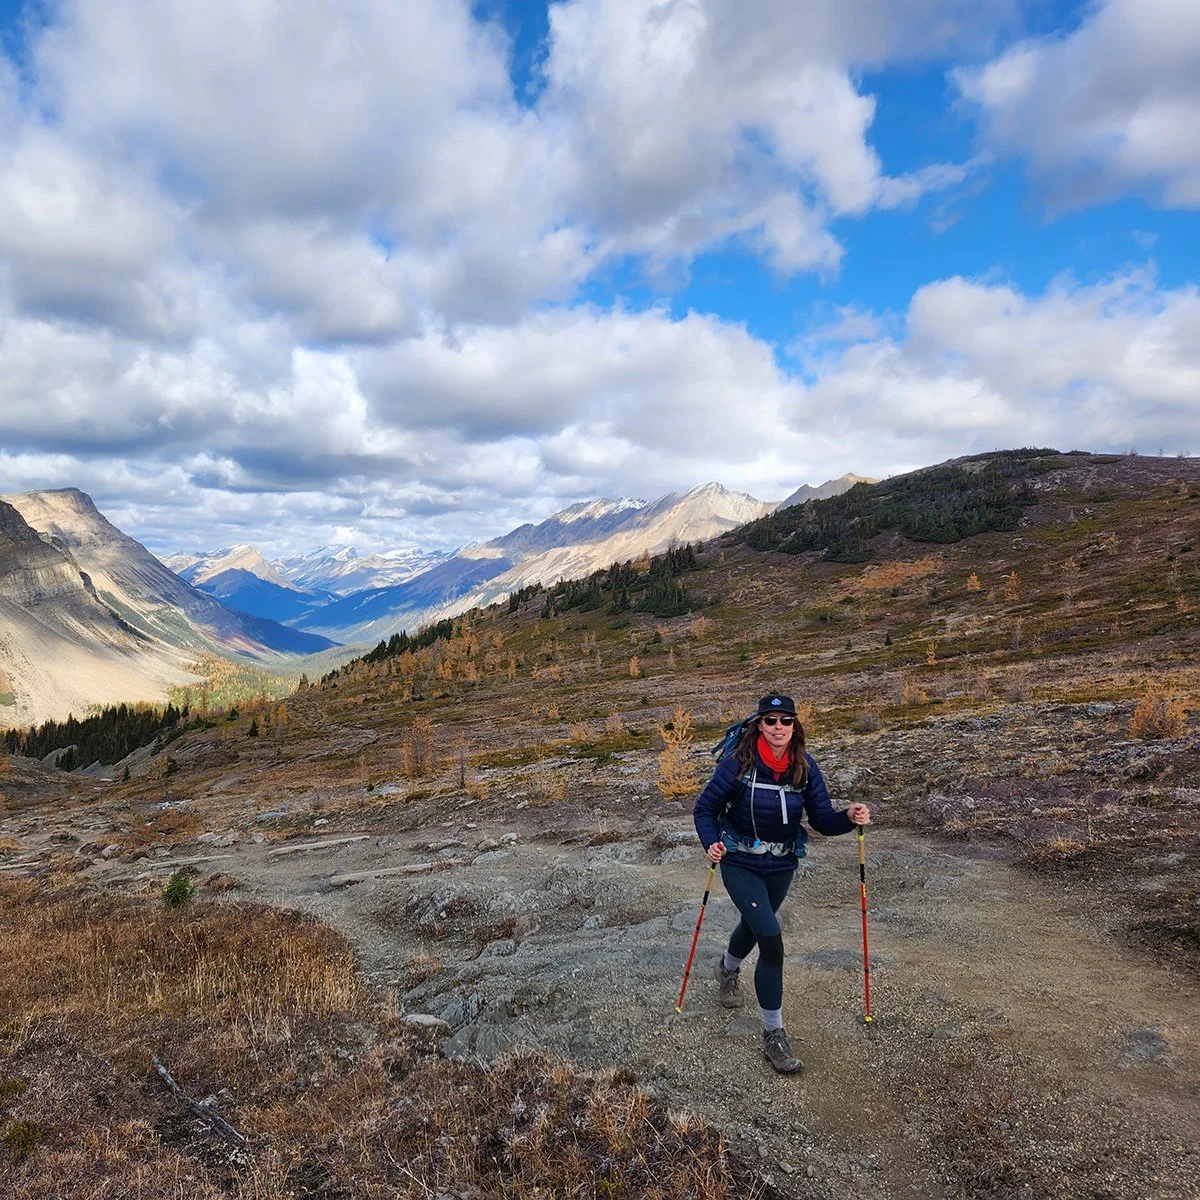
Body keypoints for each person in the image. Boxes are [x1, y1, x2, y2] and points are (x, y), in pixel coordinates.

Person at [693, 693, 870, 1074]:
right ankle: (774, 1035)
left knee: (756, 927)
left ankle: (726, 969)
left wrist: (849, 817)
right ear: (759, 724)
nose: (778, 728)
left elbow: (821, 819)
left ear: (794, 725)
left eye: (785, 721)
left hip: (782, 864)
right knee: (772, 939)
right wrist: (712, 843)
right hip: (739, 860)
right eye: (770, 721)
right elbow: (705, 808)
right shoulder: (739, 763)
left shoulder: (804, 767)